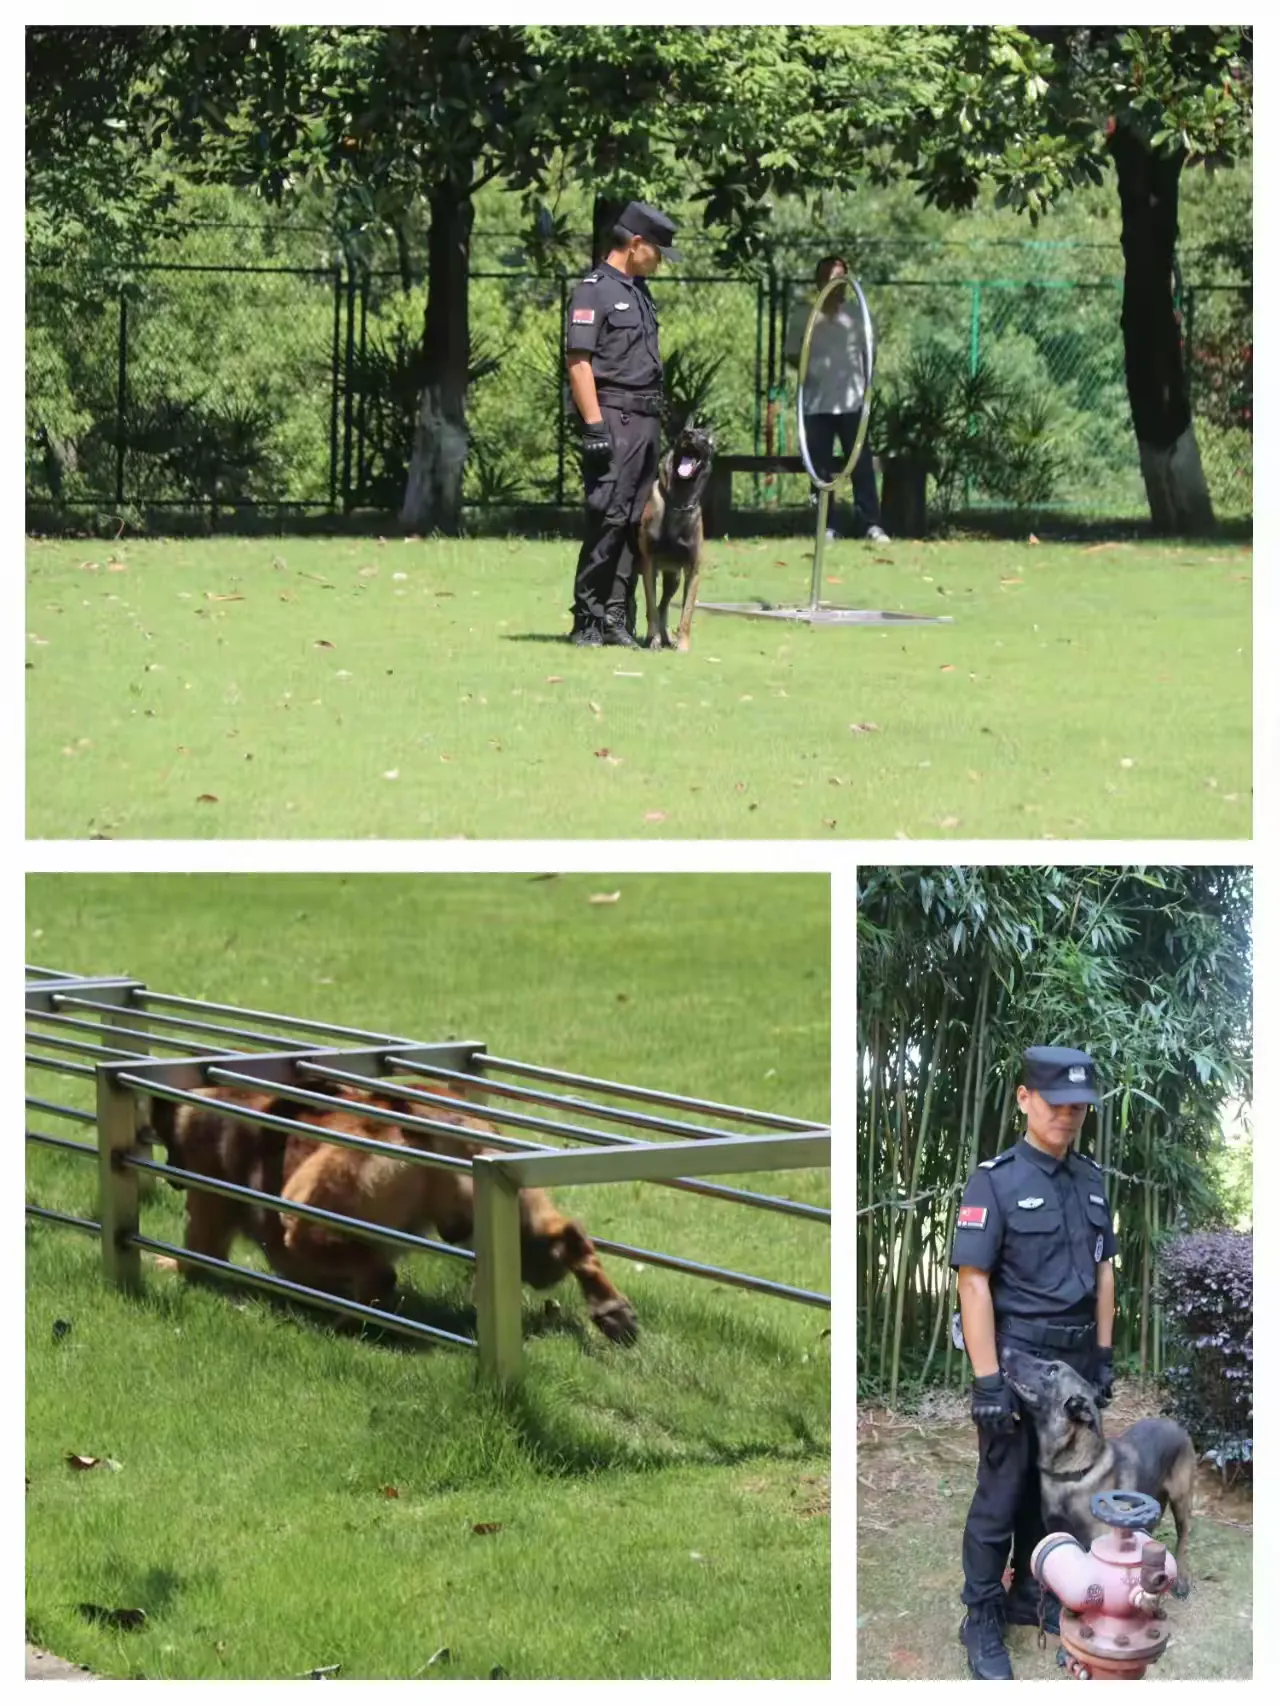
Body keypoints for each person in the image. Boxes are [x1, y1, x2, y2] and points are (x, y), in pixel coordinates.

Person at [950, 1046, 1116, 1681]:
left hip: (1074, 1367)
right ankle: (982, 1616)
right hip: (1020, 1362)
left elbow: (1104, 1274)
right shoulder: (995, 1181)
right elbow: (972, 1283)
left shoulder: (1092, 1181)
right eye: (1056, 1105)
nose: (1068, 1118)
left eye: (1079, 1108)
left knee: (1054, 1499)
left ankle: (1030, 1597)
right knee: (1001, 1495)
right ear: (1024, 1099)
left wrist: (1101, 1357)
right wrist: (988, 1380)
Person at [564, 201, 680, 647]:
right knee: (608, 517)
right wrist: (594, 426)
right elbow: (579, 363)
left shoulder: (639, 291)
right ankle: (588, 619)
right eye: (658, 253)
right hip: (613, 416)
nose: (661, 263)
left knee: (636, 522)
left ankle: (617, 617)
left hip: (646, 420)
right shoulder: (593, 290)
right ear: (636, 244)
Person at [784, 255, 888, 542]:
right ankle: (826, 525)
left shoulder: (858, 317)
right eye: (830, 279)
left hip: (852, 402)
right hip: (816, 403)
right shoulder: (804, 316)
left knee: (860, 464)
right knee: (819, 467)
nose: (836, 285)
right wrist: (813, 370)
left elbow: (871, 356)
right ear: (819, 282)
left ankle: (869, 523)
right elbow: (793, 354)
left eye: (840, 278)